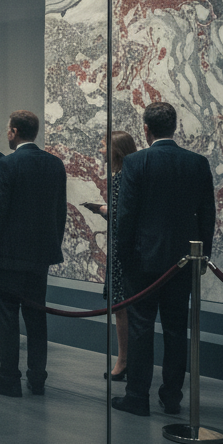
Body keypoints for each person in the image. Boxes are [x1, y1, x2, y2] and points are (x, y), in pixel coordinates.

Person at [112, 102, 216, 417]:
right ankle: (172, 397)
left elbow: (126, 216)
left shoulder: (135, 162)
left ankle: (137, 397)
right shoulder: (197, 163)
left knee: (141, 327)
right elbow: (207, 215)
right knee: (175, 329)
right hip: (183, 259)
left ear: (146, 129)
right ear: (174, 127)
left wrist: (124, 257)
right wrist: (202, 255)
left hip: (144, 260)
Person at [0, 110, 67, 398]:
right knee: (36, 317)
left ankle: (9, 378)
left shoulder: (9, 164)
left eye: (7, 130)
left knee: (7, 319)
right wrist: (52, 246)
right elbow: (60, 213)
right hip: (39, 256)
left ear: (14, 132)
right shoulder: (55, 164)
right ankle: (37, 378)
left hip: (9, 255)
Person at [84, 130, 139, 382]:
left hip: (122, 251)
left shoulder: (120, 178)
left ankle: (124, 360)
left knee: (120, 307)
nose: (100, 150)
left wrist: (106, 211)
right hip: (128, 249)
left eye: (104, 145)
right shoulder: (130, 175)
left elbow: (124, 216)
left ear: (115, 150)